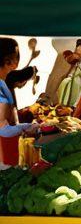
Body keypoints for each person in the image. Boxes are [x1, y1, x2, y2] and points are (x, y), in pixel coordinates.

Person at [0, 40, 40, 168]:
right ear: (8, 62)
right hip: (4, 157)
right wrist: (29, 127)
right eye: (16, 58)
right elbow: (4, 130)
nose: (17, 64)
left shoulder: (3, 83)